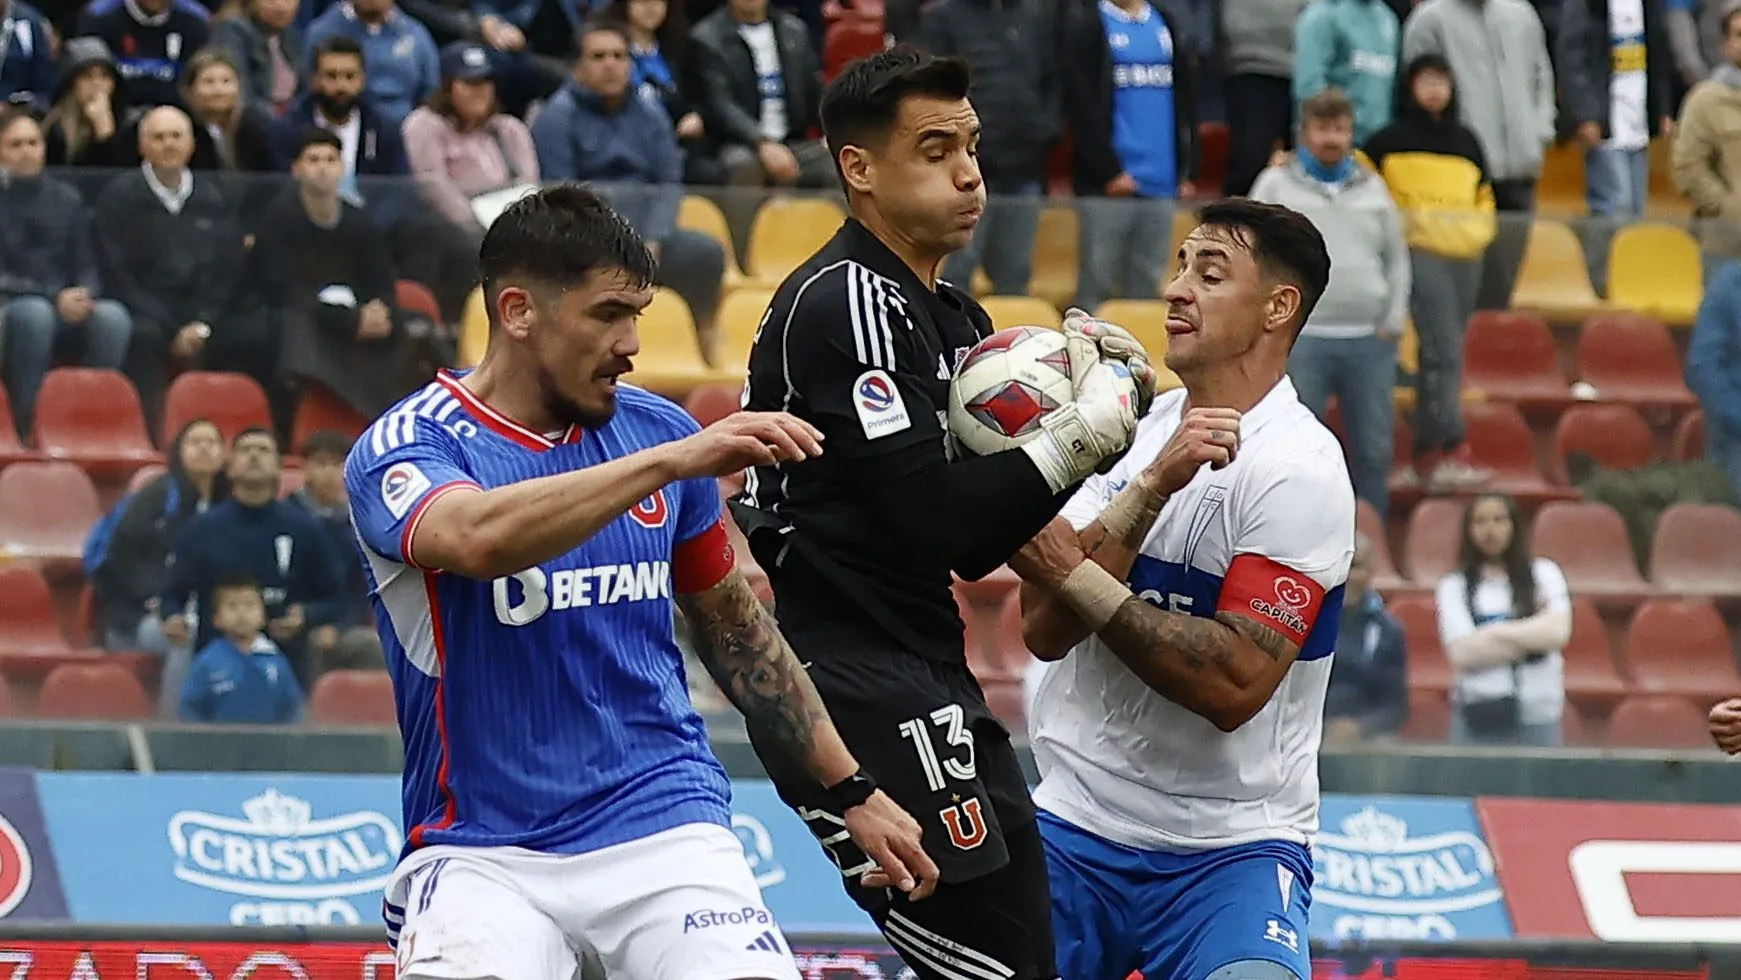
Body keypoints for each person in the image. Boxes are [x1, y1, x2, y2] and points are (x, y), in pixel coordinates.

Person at [348, 183, 939, 980]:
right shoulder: (408, 445)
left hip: (661, 819)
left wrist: (853, 789)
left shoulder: (655, 429)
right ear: (518, 311)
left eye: (638, 314)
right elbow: (474, 537)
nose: (632, 342)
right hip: (481, 845)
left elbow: (737, 634)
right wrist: (672, 460)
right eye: (607, 314)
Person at [733, 48, 1156, 980]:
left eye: (971, 146)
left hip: (927, 671)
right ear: (858, 169)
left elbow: (977, 541)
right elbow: (938, 524)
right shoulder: (848, 297)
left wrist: (1098, 421)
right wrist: (1079, 439)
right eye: (934, 150)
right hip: (847, 683)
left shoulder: (956, 317)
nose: (969, 172)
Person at [1013, 198, 1355, 980]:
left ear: (1278, 307)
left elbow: (1231, 685)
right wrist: (1149, 487)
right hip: (1074, 824)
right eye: (1178, 267)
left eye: (1208, 271)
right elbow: (1042, 628)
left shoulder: (1300, 468)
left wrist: (1072, 569)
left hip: (1231, 848)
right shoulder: (1124, 430)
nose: (1175, 289)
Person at [1435, 492, 1571, 747]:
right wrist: (1532, 636)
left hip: (1539, 715)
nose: (1490, 530)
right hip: (1478, 713)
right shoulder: (1454, 585)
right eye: (1480, 521)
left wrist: (1490, 633)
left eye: (1499, 520)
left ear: (1514, 526)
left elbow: (1557, 634)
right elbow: (1463, 653)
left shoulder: (1544, 574)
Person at [177, 575, 305, 724]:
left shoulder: (277, 661)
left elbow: (292, 709)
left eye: (250, 605)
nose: (242, 613)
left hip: (270, 744)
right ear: (216, 619)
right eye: (232, 606)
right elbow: (189, 709)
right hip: (219, 744)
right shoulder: (206, 662)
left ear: (263, 616)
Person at [1323, 532, 1409, 742]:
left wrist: (1360, 728)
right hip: (1310, 733)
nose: (1346, 575)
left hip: (1365, 738)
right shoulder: (1305, 625)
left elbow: (1396, 706)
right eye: (1339, 565)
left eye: (1354, 566)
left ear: (1370, 571)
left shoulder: (1389, 631)